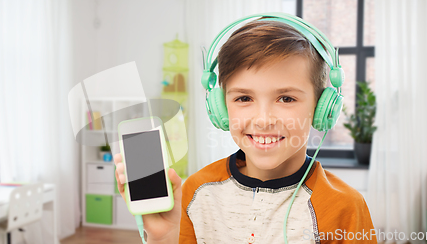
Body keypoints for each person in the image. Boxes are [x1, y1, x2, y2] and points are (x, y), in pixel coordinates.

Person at [115, 14, 376, 244]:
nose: (263, 120)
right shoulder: (196, 192)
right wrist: (163, 239)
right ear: (221, 108)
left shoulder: (346, 207)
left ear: (322, 109)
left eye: (286, 98)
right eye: (244, 98)